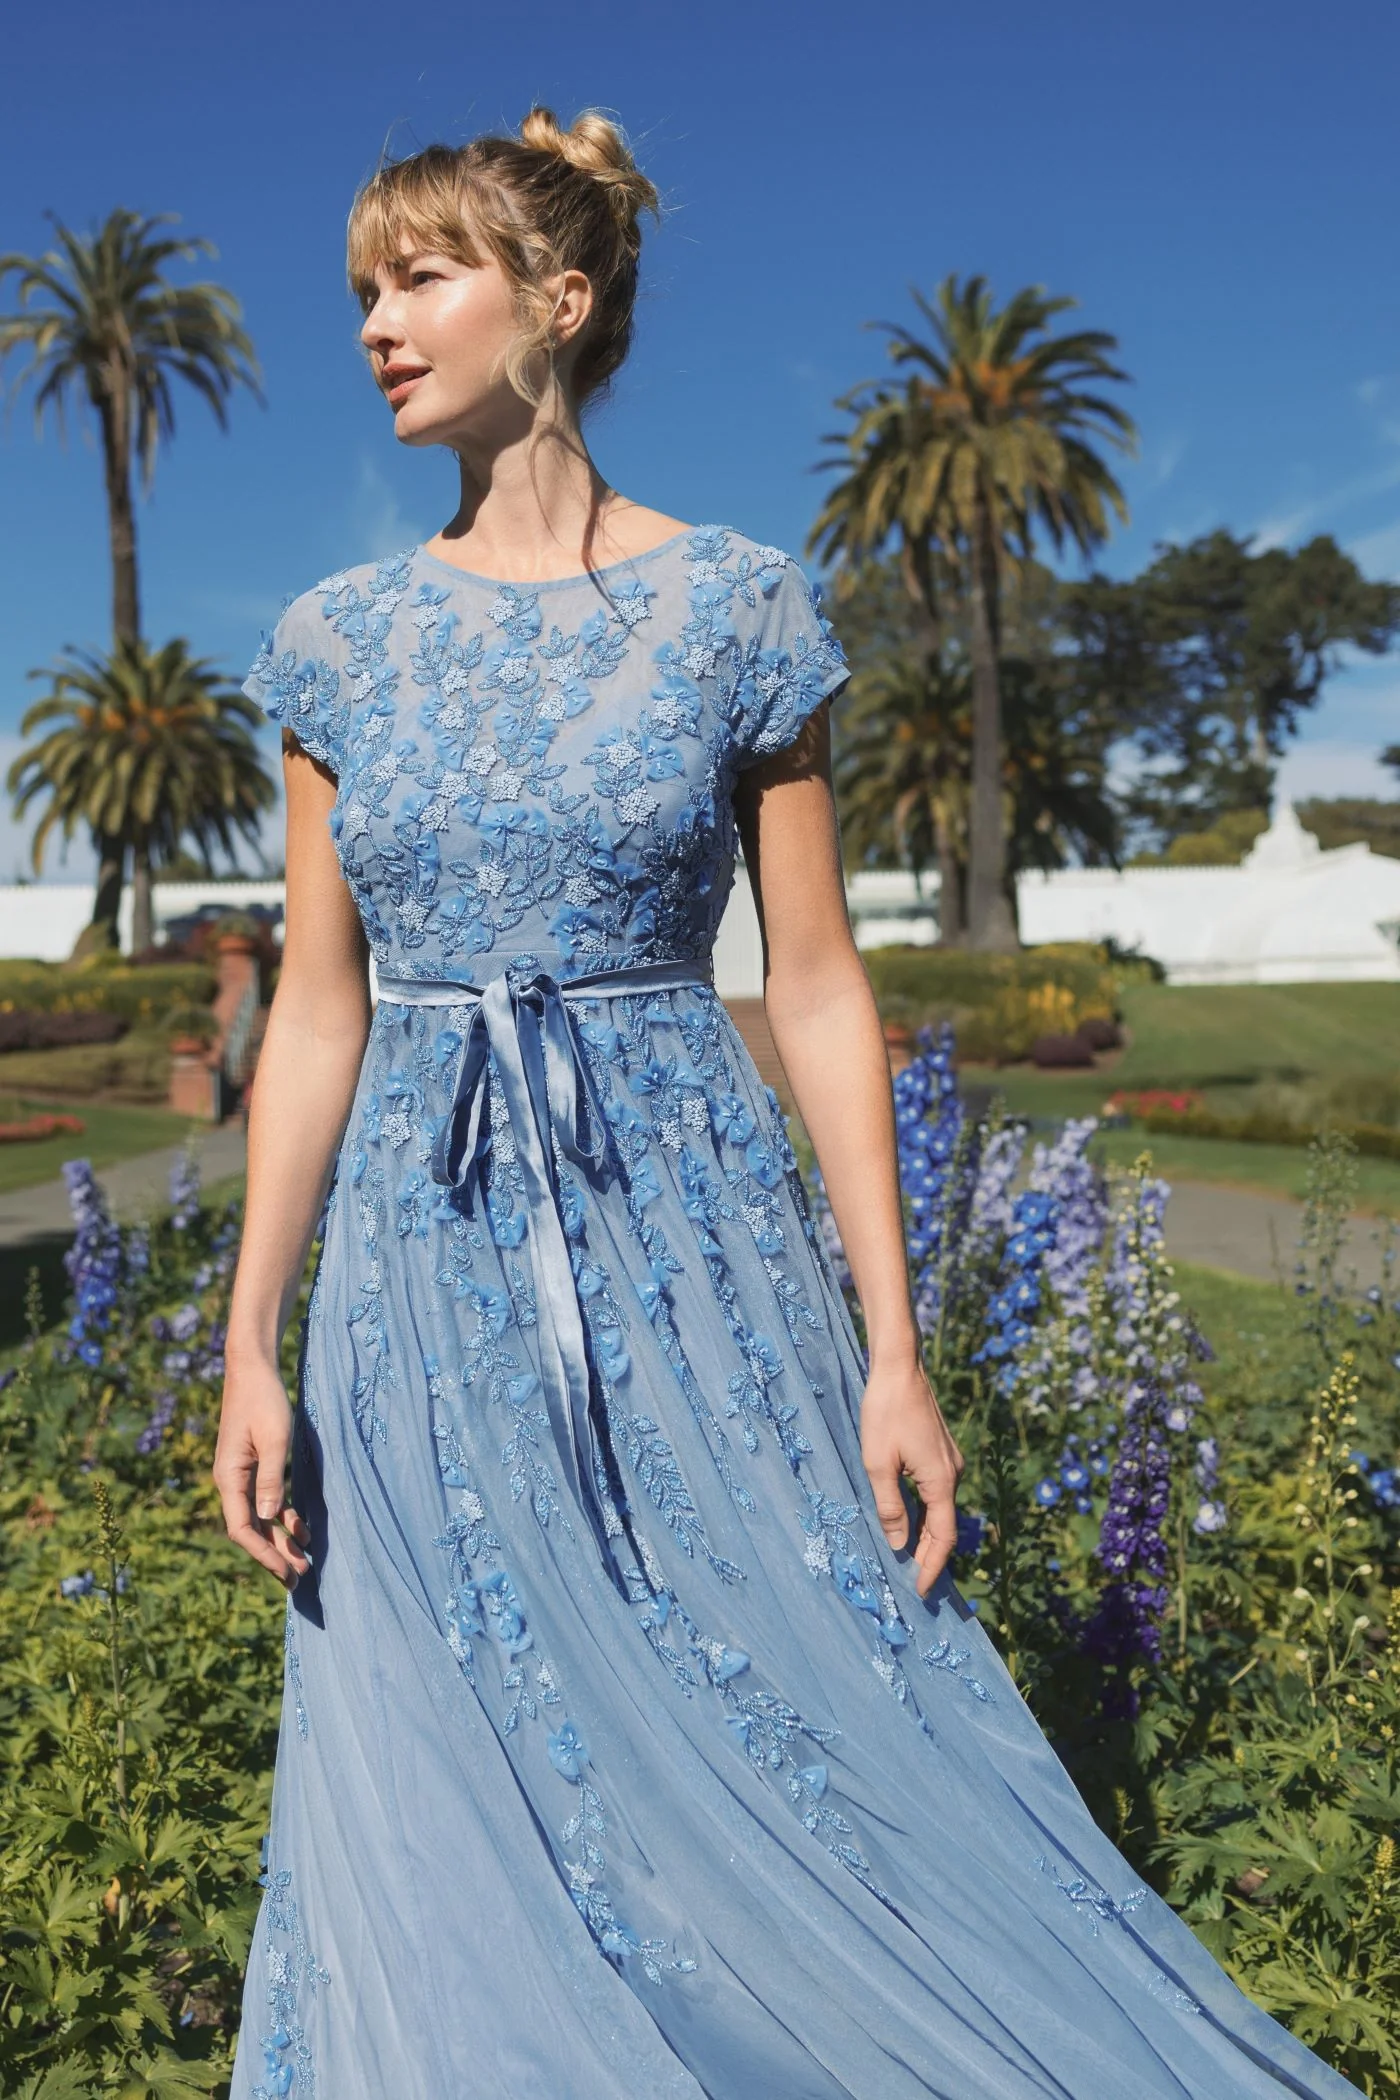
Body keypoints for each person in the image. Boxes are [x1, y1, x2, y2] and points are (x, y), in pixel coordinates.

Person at [216, 105, 1358, 2100]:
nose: (376, 328)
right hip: (421, 1246)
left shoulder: (742, 612)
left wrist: (895, 1349)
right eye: (362, 293)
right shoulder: (333, 645)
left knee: (804, 1681)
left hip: (686, 1230)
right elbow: (318, 1014)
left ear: (558, 303)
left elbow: (816, 984)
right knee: (434, 1723)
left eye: (421, 278)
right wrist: (246, 1343)